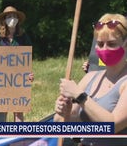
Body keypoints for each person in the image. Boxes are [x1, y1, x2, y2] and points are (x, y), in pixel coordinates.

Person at [54, 13, 127, 145]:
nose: (105, 49)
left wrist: (80, 96)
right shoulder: (90, 78)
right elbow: (62, 124)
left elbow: (112, 126)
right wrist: (64, 112)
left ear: (125, 45)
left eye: (111, 44)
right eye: (100, 44)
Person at [0, 6, 32, 122]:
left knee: (18, 109)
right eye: (9, 16)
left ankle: (19, 135)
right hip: (2, 76)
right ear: (4, 20)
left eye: (14, 16)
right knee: (3, 108)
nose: (12, 18)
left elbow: (28, 55)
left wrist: (28, 72)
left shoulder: (23, 36)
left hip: (19, 76)